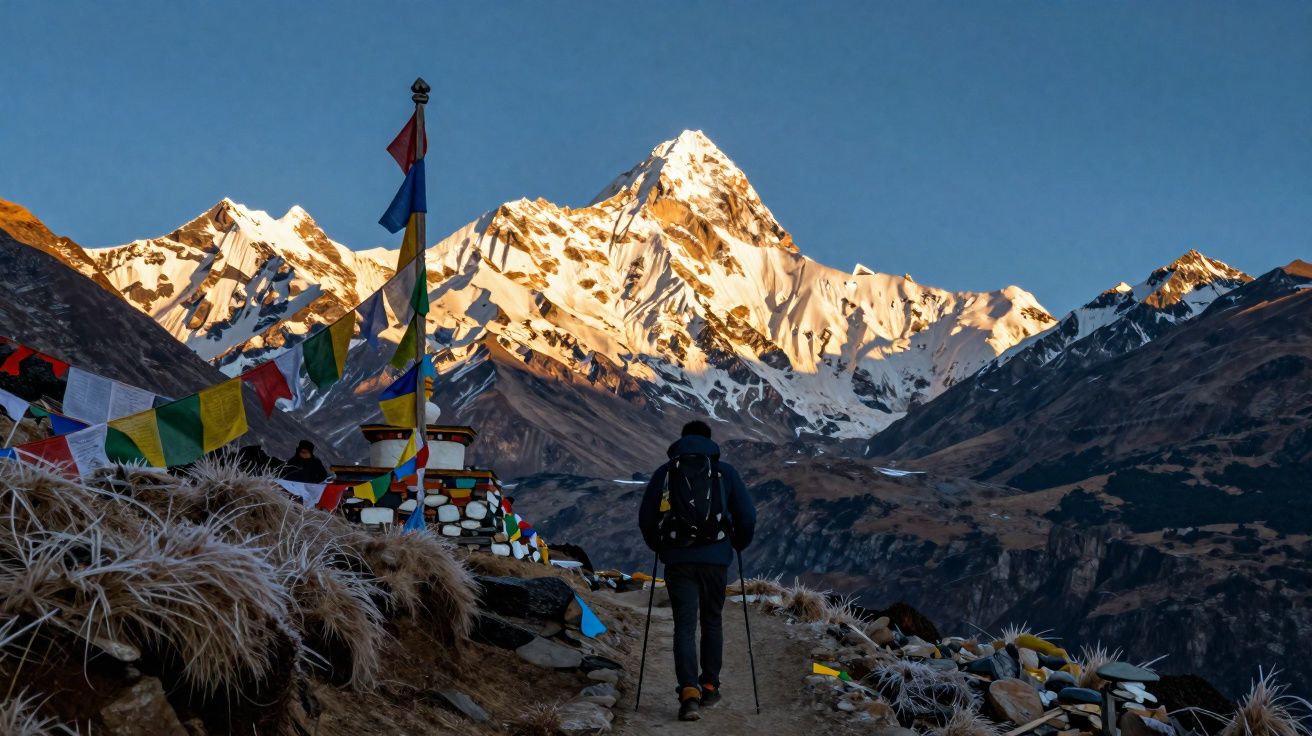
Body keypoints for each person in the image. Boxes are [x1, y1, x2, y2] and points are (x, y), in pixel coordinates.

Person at [638, 420, 756, 722]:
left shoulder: (666, 473)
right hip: (716, 559)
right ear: (709, 441)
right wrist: (737, 543)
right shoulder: (724, 472)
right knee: (712, 621)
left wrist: (661, 547)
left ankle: (689, 693)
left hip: (678, 561)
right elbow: (747, 516)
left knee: (685, 626)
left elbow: (647, 517)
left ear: (682, 440)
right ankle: (709, 684)